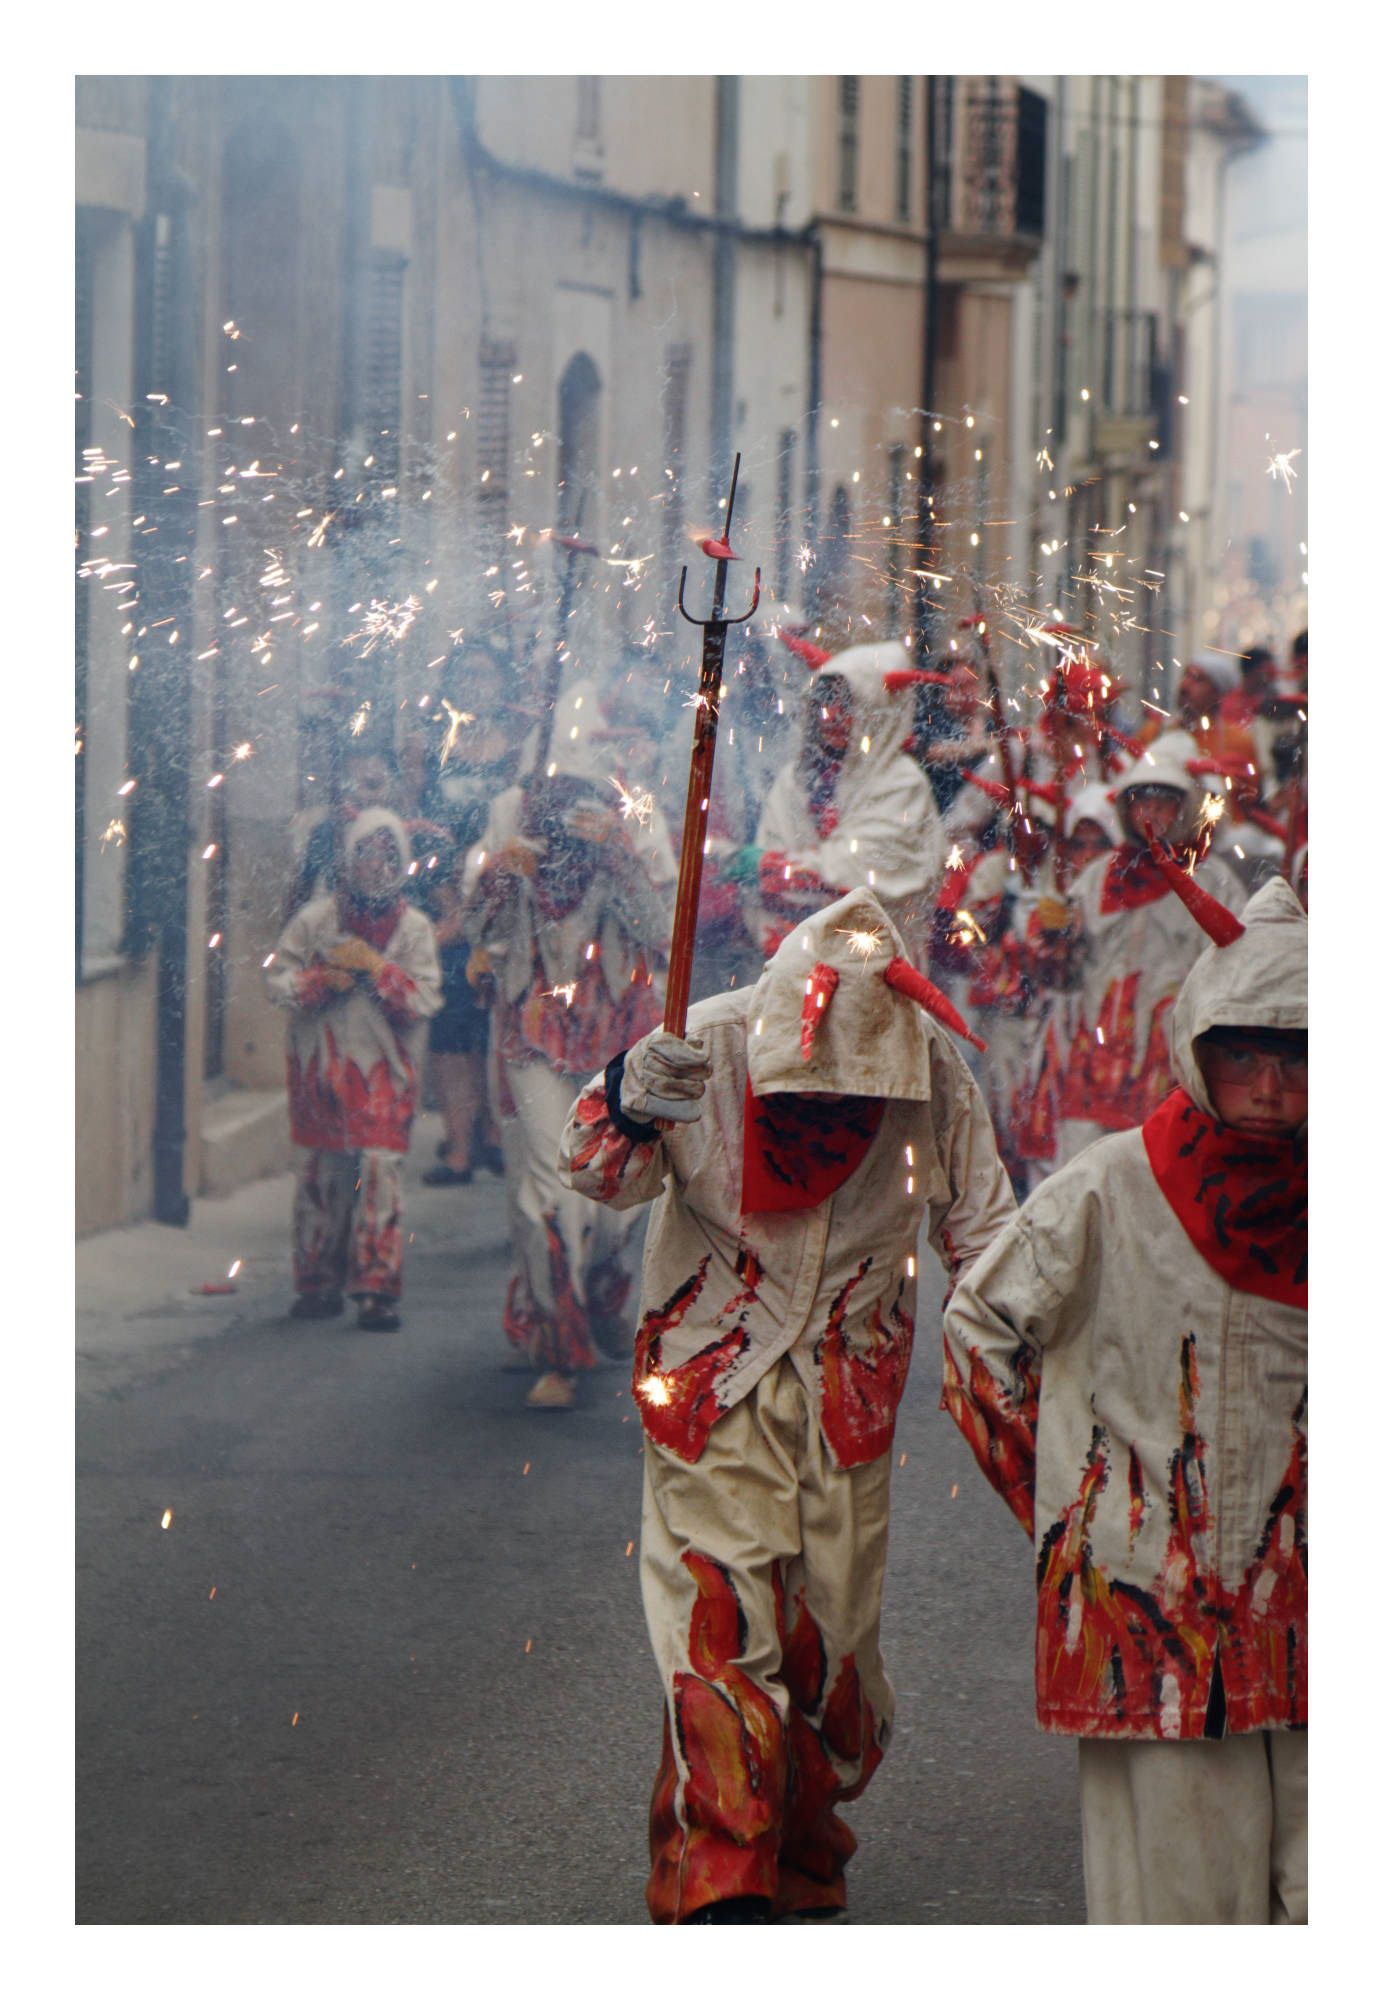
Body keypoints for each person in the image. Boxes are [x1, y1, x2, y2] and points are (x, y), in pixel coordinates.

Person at [557, 887, 1016, 1923]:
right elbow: (592, 1170)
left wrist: (1021, 1348)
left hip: (848, 1388)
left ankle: (801, 1844)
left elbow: (986, 1234)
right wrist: (626, 1100)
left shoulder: (933, 1071)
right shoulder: (705, 1041)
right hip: (709, 1380)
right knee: (720, 1630)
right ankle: (718, 1880)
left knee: (833, 1655)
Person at [941, 873, 1306, 1923]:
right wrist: (1075, 1509)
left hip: (1316, 1603)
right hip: (1153, 1610)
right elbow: (977, 1333)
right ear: (1196, 1046)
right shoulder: (1109, 1183)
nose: (1269, 1085)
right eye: (1243, 1054)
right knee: (1183, 1904)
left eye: (1297, 1055)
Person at [463, 682, 669, 1409]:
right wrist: (498, 878)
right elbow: (476, 932)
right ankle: (558, 1344)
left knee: (613, 1192)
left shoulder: (633, 816)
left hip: (617, 1021)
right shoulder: (508, 815)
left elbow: (662, 932)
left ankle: (603, 1286)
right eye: (554, 791)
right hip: (533, 1021)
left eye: (579, 791)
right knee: (548, 1187)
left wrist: (619, 857)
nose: (565, 805)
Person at [267, 808, 443, 1329]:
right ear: (347, 860)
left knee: (379, 1174)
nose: (377, 867)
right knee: (321, 1176)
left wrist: (377, 970)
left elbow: (424, 1000)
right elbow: (278, 984)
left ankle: (376, 1289)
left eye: (389, 857)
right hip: (320, 1072)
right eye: (366, 854)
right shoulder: (314, 921)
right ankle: (317, 1283)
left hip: (385, 1077)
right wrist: (320, 980)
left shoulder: (414, 928)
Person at [1044, 737, 1245, 1167]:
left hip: (1169, 1048)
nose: (1150, 813)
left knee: (1155, 1160)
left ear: (1185, 808)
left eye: (1163, 803)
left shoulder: (1213, 881)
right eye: (1141, 802)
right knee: (1083, 1161)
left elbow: (1234, 967)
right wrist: (1053, 936)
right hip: (1096, 1045)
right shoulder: (1099, 876)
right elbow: (1064, 972)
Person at [733, 638, 947, 965]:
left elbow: (862, 877)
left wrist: (776, 869)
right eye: (825, 701)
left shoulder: (902, 783)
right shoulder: (796, 779)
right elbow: (767, 888)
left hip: (876, 968)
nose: (831, 716)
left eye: (848, 705)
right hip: (797, 962)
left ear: (877, 713)